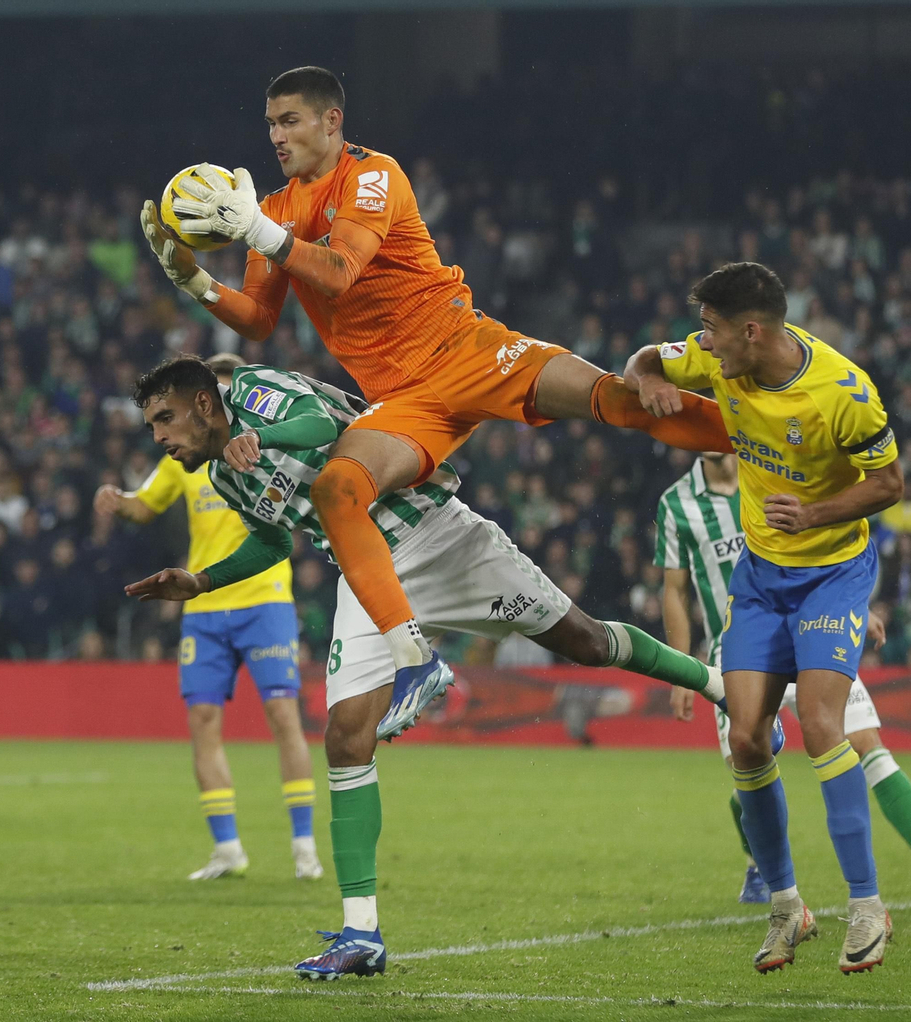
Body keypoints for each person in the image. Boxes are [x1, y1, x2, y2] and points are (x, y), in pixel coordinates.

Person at [140, 65, 732, 745]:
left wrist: (255, 232)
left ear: (332, 121)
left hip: (468, 349)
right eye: (270, 123)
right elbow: (257, 322)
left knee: (622, 403)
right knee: (338, 490)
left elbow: (340, 271)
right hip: (404, 399)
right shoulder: (271, 211)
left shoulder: (373, 175)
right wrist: (190, 278)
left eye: (291, 120)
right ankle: (416, 659)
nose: (276, 135)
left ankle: (763, 442)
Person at [118, 356, 727, 981]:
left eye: (165, 418)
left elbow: (318, 425)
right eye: (150, 427)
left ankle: (716, 685)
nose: (160, 437)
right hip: (364, 567)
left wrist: (261, 435)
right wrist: (201, 580)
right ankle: (361, 934)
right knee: (346, 737)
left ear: (201, 402)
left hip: (439, 535)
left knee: (588, 643)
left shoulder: (251, 391)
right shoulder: (226, 477)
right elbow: (275, 540)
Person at [626, 262, 904, 974]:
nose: (704, 343)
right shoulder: (719, 361)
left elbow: (890, 484)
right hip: (758, 580)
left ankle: (868, 907)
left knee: (819, 726)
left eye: (714, 330)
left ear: (752, 331)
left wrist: (814, 513)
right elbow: (647, 358)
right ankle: (788, 906)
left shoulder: (843, 392)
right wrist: (650, 378)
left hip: (833, 576)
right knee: (746, 739)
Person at [658, 453, 911, 910]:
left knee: (867, 744)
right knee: (749, 759)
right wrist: (681, 667)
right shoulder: (677, 503)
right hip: (737, 649)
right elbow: (674, 589)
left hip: (812, 629)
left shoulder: (773, 470)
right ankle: (760, 866)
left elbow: (825, 544)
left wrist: (853, 606)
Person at [94, 353, 321, 883]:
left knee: (285, 718)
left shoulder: (253, 450)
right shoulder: (188, 463)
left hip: (264, 600)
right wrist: (117, 499)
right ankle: (227, 850)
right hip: (204, 609)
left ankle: (304, 845)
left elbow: (281, 531)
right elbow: (145, 505)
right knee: (201, 724)